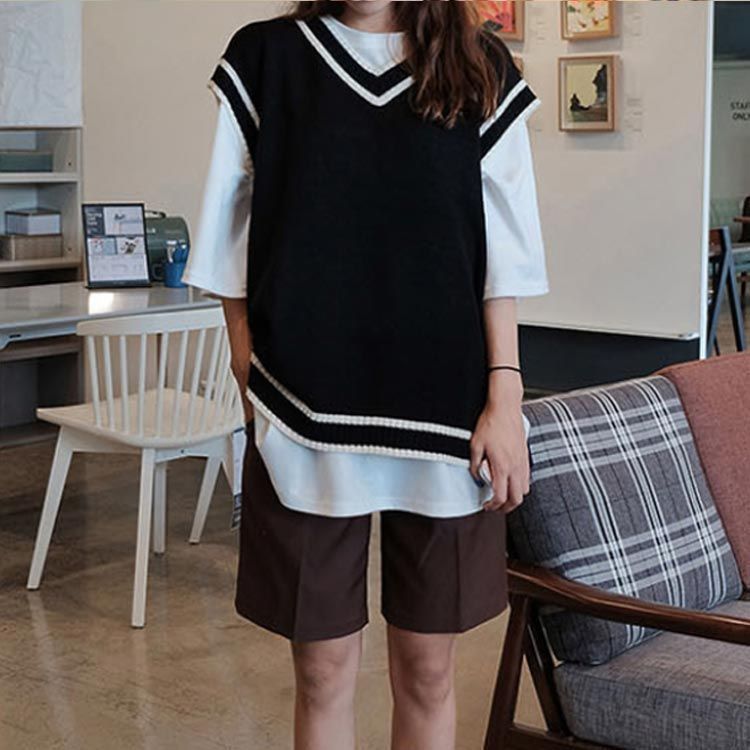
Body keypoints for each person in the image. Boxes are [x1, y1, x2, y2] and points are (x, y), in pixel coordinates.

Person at [183, 1, 548, 748]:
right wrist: (246, 363)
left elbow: (504, 259)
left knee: (429, 671)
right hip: (305, 411)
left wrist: (505, 399)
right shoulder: (267, 59)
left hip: (448, 416)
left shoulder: (480, 66)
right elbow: (226, 225)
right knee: (322, 674)